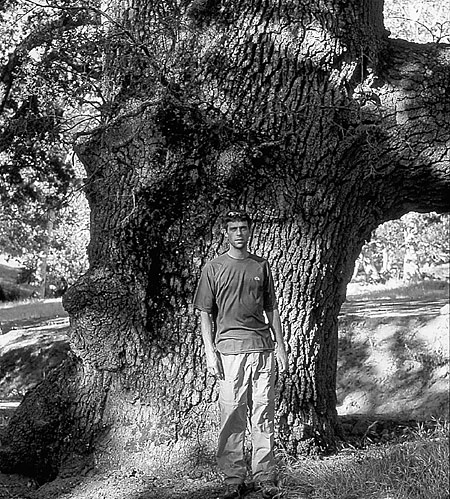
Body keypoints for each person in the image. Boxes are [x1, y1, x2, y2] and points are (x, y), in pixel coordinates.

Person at [193, 210, 288, 499]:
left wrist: (281, 346)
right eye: (233, 228)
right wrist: (210, 352)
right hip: (229, 351)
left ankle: (264, 477)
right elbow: (205, 313)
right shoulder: (214, 268)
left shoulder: (261, 265)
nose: (238, 233)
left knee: (263, 413)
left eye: (243, 228)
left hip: (261, 348)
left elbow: (271, 308)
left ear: (250, 231)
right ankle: (233, 479)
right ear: (225, 233)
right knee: (232, 414)